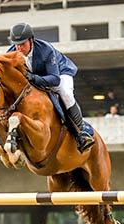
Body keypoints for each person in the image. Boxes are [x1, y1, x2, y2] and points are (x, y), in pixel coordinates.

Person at [7, 23, 94, 153]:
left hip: (60, 72)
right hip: (37, 78)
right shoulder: (11, 54)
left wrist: (33, 78)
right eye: (16, 44)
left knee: (65, 92)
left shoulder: (45, 49)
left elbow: (54, 79)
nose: (19, 48)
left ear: (31, 39)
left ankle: (81, 132)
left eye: (23, 44)